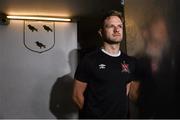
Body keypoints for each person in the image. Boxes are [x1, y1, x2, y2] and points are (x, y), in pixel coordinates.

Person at [72, 10, 140, 118]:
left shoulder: (131, 62)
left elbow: (127, 93)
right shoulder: (89, 60)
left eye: (120, 26)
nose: (116, 29)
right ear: (101, 32)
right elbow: (76, 95)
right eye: (111, 26)